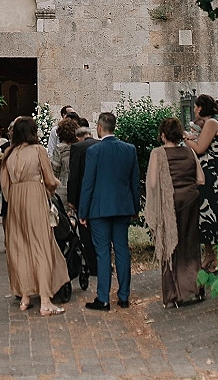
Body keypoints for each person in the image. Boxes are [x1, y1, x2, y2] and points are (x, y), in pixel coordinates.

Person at [0, 116, 69, 316]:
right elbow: (49, 178)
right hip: (34, 198)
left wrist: (14, 196)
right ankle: (46, 300)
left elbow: (4, 186)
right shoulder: (38, 150)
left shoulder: (8, 154)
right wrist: (51, 188)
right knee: (41, 246)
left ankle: (25, 296)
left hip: (15, 200)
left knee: (19, 247)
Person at [79, 112, 140, 311]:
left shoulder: (94, 151)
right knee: (122, 250)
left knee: (102, 253)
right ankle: (124, 296)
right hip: (122, 206)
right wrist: (135, 207)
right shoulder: (129, 149)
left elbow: (88, 183)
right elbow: (134, 182)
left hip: (99, 208)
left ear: (99, 127)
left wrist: (83, 211)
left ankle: (103, 298)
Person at [145, 117, 205, 307]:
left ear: (163, 135)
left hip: (170, 204)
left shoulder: (158, 153)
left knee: (171, 244)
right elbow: (201, 179)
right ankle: (194, 288)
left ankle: (174, 294)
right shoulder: (189, 152)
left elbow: (153, 183)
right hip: (191, 201)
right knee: (190, 244)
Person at [183, 94, 218, 272]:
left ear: (202, 107)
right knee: (205, 214)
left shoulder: (212, 123)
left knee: (215, 211)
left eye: (196, 107)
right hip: (205, 173)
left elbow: (200, 148)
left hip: (212, 174)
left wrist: (186, 139)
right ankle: (209, 254)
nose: (194, 110)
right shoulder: (205, 124)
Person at [66, 125, 98, 276]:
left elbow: (74, 175)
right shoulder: (100, 145)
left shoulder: (77, 148)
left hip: (82, 195)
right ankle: (102, 263)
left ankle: (92, 265)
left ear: (78, 137)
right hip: (100, 196)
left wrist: (71, 199)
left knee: (85, 233)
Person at [51, 117, 79, 207]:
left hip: (61, 189)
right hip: (76, 189)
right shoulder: (78, 148)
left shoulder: (59, 148)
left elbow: (54, 170)